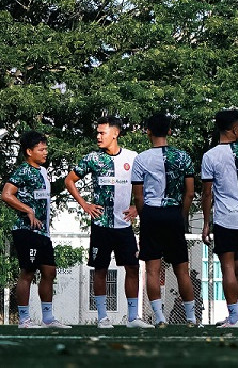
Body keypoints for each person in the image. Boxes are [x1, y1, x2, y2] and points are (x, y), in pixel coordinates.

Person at [64, 116, 148, 328]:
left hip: (124, 225)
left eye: (102, 133)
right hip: (101, 225)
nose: (98, 136)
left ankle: (133, 318)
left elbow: (148, 184)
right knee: (100, 269)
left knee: (132, 267)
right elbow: (69, 180)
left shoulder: (133, 158)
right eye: (98, 132)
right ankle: (102, 317)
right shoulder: (92, 158)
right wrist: (85, 204)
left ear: (115, 133)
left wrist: (138, 207)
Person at [131, 113, 197, 327]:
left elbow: (138, 196)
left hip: (151, 212)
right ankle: (190, 318)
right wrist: (182, 216)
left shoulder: (141, 159)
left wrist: (144, 216)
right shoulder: (183, 157)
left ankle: (160, 318)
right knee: (181, 269)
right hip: (174, 213)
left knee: (152, 269)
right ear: (169, 131)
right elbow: (189, 193)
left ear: (148, 131)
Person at [1, 131, 69, 328]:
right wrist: (27, 210)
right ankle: (24, 320)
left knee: (49, 271)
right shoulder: (23, 171)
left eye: (46, 148)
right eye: (41, 149)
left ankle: (48, 318)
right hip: (26, 230)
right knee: (28, 272)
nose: (45, 152)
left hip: (43, 232)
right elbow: (6, 194)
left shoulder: (43, 171)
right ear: (29, 151)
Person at [201, 109, 238, 328]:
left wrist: (206, 223)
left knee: (227, 267)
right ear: (234, 128)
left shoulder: (210, 156)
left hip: (224, 218)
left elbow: (207, 193)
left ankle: (233, 318)